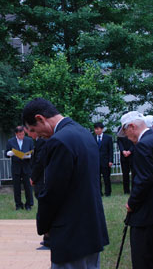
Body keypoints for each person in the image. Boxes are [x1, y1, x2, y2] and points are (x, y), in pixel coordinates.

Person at [23, 98, 108, 268]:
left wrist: (44, 225)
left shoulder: (59, 141)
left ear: (41, 118)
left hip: (71, 234)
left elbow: (53, 192)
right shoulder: (83, 133)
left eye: (34, 130)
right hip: (91, 229)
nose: (36, 136)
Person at [119, 111, 153, 269]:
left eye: (126, 132)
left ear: (132, 127)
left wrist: (132, 202)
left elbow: (143, 180)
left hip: (147, 215)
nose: (127, 137)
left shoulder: (143, 145)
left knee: (145, 259)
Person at [26, 127, 50, 248]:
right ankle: (47, 236)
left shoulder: (42, 141)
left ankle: (48, 238)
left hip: (42, 180)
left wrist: (33, 177)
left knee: (44, 208)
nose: (29, 136)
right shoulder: (42, 141)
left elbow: (39, 161)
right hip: (41, 179)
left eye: (29, 132)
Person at [6, 126, 34, 210]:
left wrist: (29, 155)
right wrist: (9, 153)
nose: (21, 136)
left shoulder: (29, 140)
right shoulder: (10, 141)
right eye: (19, 134)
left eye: (23, 134)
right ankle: (18, 205)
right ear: (16, 134)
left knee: (28, 187)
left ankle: (28, 205)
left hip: (26, 166)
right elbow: (6, 153)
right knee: (16, 187)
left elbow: (33, 152)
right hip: (16, 167)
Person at [94, 122, 113, 197]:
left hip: (105, 161)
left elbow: (111, 150)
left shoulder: (108, 138)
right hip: (96, 162)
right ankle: (99, 193)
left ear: (102, 129)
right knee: (97, 179)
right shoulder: (93, 138)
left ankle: (108, 192)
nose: (96, 130)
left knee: (106, 178)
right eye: (95, 129)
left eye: (98, 129)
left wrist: (110, 160)